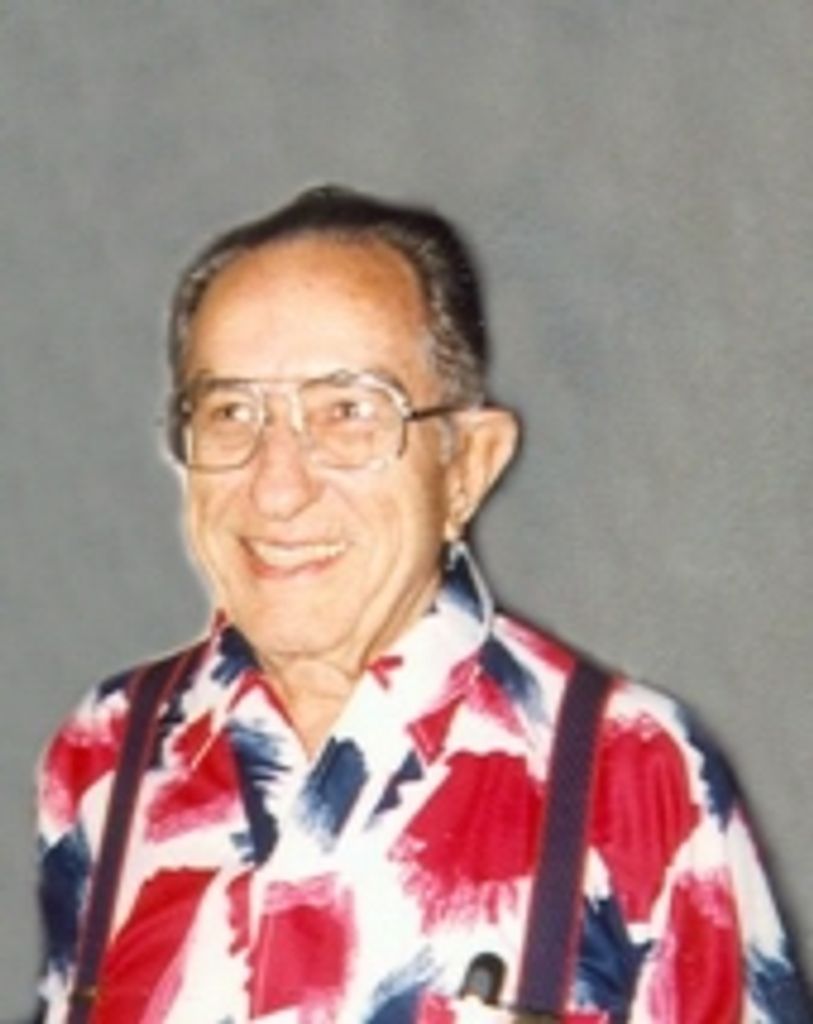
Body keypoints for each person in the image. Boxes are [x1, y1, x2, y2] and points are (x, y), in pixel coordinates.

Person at [36, 186, 810, 1023]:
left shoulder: (633, 770)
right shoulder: (106, 750)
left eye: (347, 413)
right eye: (229, 413)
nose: (277, 487)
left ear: (467, 464)